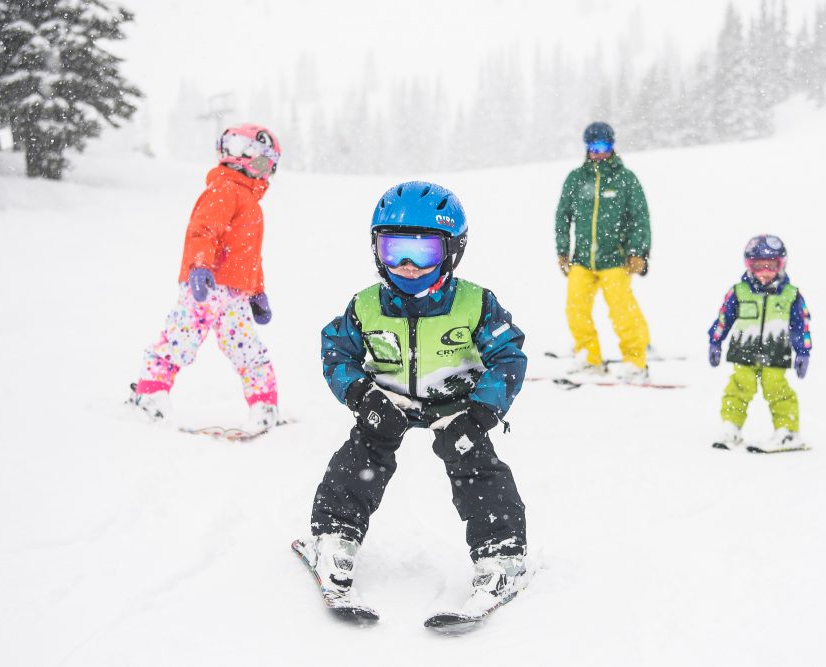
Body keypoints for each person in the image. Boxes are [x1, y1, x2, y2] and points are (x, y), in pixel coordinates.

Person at [294, 181, 528, 616]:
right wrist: (361, 395)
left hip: (457, 407)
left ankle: (502, 555)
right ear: (375, 250)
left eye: (424, 254)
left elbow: (508, 356)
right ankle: (335, 536)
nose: (407, 267)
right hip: (388, 403)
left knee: (477, 467)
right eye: (393, 251)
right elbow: (337, 351)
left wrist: (481, 411)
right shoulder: (366, 305)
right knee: (359, 459)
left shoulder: (476, 303)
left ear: (453, 251)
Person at [128, 124, 282, 432]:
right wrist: (199, 266)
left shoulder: (251, 205)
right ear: (245, 157)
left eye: (270, 166)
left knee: (247, 348)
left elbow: (250, 257)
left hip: (236, 295)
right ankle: (150, 394)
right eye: (264, 163)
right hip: (207, 286)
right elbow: (202, 230)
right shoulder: (224, 190)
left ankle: (264, 405)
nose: (266, 172)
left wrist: (257, 292)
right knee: (180, 338)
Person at [555, 121, 652, 381]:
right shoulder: (576, 178)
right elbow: (562, 216)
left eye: (604, 146)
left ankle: (636, 361)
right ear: (587, 148)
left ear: (612, 146)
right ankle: (589, 357)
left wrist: (638, 252)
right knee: (576, 310)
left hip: (615, 260)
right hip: (582, 260)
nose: (599, 152)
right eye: (594, 147)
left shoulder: (625, 179)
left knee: (622, 311)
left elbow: (639, 217)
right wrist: (563, 251)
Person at [708, 235, 812, 450]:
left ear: (781, 265)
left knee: (777, 390)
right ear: (749, 265)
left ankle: (788, 432)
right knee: (738, 388)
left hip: (775, 353)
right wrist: (716, 341)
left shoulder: (791, 296)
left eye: (771, 266)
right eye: (758, 266)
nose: (764, 272)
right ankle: (731, 428)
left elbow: (801, 325)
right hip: (743, 351)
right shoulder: (739, 292)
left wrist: (803, 351)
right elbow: (723, 318)